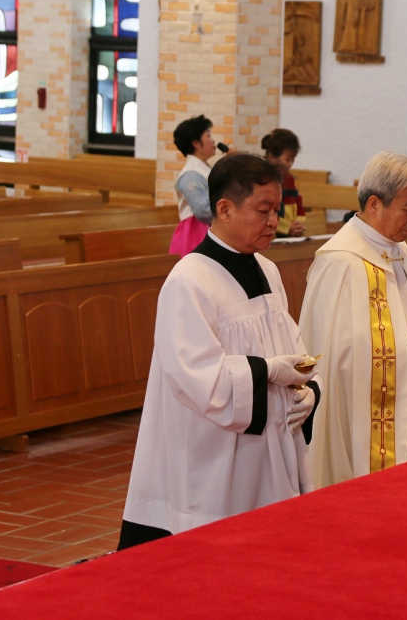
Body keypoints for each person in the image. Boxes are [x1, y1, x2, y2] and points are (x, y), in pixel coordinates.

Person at [119, 152, 321, 550]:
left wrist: (309, 389)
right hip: (214, 458)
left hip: (270, 448)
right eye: (263, 210)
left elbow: (292, 348)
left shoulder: (267, 269)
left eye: (276, 210)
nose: (273, 221)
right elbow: (198, 377)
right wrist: (269, 372)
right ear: (225, 209)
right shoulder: (189, 281)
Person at [299, 151, 407, 488]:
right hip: (362, 429)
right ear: (374, 204)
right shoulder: (341, 262)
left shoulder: (399, 250)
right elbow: (338, 358)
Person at [168, 115, 217, 257]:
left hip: (210, 230)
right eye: (208, 136)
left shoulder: (205, 168)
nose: (213, 141)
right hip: (196, 232)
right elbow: (203, 211)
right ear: (196, 143)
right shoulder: (190, 175)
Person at [262, 128, 306, 238]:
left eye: (293, 160)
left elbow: (298, 202)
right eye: (287, 159)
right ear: (272, 156)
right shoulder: (262, 179)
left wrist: (298, 224)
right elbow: (264, 213)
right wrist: (286, 228)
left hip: (290, 236)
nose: (290, 164)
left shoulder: (289, 178)